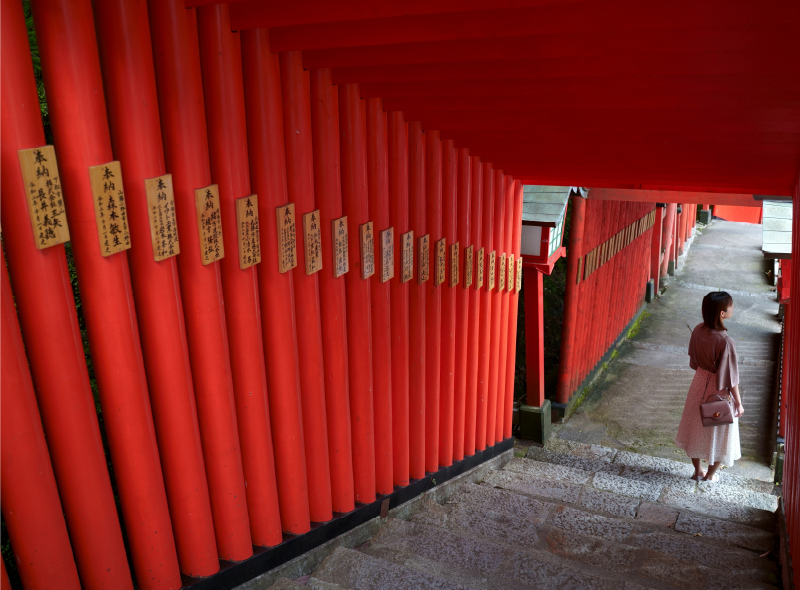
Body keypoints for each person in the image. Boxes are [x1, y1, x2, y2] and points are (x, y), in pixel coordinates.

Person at [675, 291, 743, 482]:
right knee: (721, 435)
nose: (733, 308)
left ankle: (697, 471)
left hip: (698, 383)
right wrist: (738, 403)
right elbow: (731, 378)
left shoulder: (697, 330)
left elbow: (694, 361)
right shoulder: (726, 341)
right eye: (730, 305)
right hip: (718, 391)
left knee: (694, 427)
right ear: (722, 313)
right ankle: (710, 476)